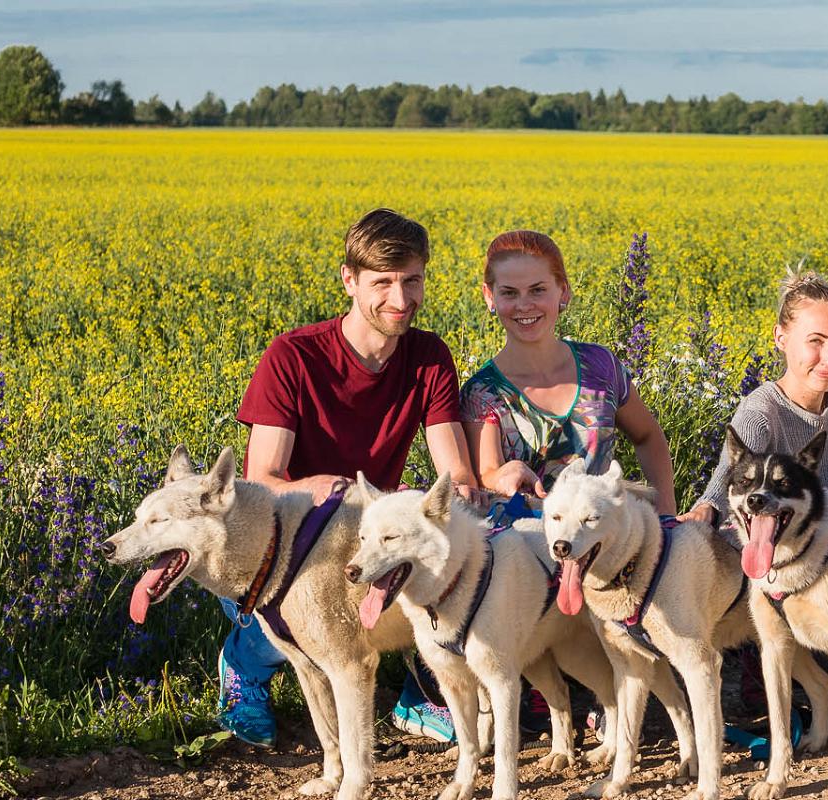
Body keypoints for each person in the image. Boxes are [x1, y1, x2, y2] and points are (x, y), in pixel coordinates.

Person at [227, 208, 480, 746]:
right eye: (383, 283)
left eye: (412, 281)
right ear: (349, 280)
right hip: (290, 532)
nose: (400, 299)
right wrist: (318, 486)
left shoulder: (429, 356)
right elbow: (260, 478)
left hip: (368, 523)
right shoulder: (292, 356)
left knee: (451, 558)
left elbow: (453, 469)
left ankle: (422, 693)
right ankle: (246, 661)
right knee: (304, 615)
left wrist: (464, 506)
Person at [461, 228, 680, 514]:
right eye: (509, 293)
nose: (524, 305)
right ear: (489, 296)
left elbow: (648, 436)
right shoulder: (483, 392)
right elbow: (487, 473)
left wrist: (665, 518)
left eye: (538, 290)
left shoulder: (600, 366)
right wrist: (502, 475)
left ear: (562, 290)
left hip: (607, 543)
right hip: (527, 550)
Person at [686, 270, 828, 525]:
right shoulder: (761, 411)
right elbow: (727, 479)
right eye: (816, 341)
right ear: (780, 338)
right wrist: (706, 509)